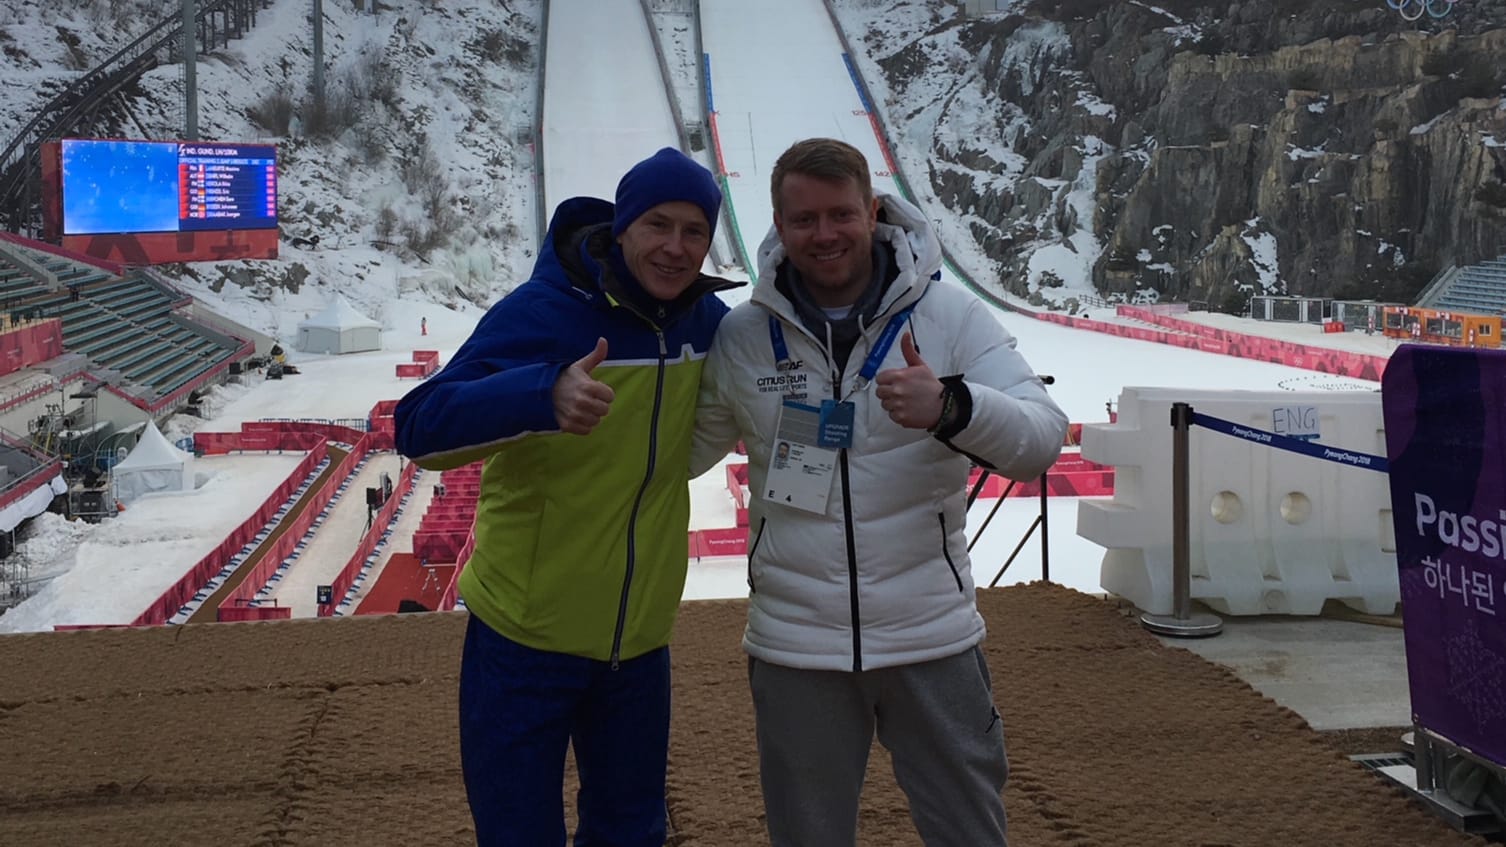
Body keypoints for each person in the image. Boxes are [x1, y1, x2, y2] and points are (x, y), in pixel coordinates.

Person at [691, 137, 1068, 846]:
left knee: (970, 830)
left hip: (932, 635)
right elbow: (678, 451)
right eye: (804, 220)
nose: (825, 235)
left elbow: (1040, 439)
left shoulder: (948, 317)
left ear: (873, 211)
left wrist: (954, 406)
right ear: (778, 222)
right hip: (796, 646)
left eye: (841, 214)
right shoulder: (743, 336)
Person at [394, 147, 736, 846]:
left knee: (632, 831)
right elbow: (420, 426)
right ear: (623, 227)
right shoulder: (544, 314)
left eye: (694, 231)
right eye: (658, 225)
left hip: (638, 645)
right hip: (524, 639)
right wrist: (540, 392)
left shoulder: (706, 324)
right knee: (518, 831)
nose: (675, 248)